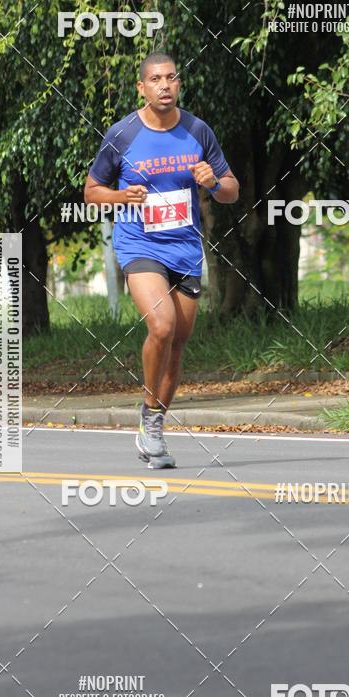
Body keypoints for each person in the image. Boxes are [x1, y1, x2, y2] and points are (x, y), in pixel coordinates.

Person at [84, 51, 239, 467]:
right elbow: (91, 190)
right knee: (162, 324)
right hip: (139, 245)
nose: (164, 86)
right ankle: (151, 424)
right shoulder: (122, 134)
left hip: (184, 248)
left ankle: (152, 420)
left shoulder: (196, 130)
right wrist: (120, 196)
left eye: (171, 78)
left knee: (178, 344)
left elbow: (231, 189)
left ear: (179, 83)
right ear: (142, 87)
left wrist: (214, 182)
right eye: (155, 79)